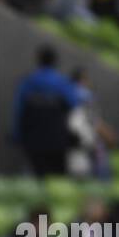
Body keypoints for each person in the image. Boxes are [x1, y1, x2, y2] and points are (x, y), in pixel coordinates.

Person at [11, 46, 82, 178]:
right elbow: (75, 104)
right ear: (55, 62)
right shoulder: (62, 83)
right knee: (58, 178)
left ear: (38, 60)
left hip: (34, 139)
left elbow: (18, 110)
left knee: (39, 177)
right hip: (58, 139)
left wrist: (17, 135)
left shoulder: (28, 82)